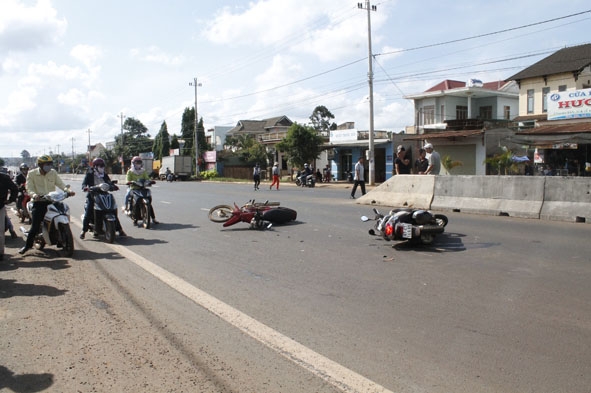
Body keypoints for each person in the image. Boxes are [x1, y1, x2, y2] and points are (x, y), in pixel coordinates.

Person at [19, 155, 74, 255]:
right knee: (35, 226)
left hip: (52, 200)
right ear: (40, 165)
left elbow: (61, 184)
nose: (49, 166)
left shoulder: (52, 173)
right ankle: (27, 246)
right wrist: (35, 195)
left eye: (50, 164)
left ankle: (60, 237)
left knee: (63, 212)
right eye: (46, 164)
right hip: (39, 202)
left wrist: (68, 191)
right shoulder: (32, 174)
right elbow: (29, 188)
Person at [80, 158, 126, 239]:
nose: (102, 167)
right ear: (95, 166)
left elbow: (109, 182)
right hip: (93, 195)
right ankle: (83, 231)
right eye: (100, 166)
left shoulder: (104, 174)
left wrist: (113, 186)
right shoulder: (89, 174)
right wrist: (85, 188)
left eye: (103, 166)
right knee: (88, 212)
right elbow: (84, 184)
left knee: (112, 210)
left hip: (104, 194)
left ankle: (120, 230)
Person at [125, 156, 158, 224]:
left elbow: (147, 178)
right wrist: (130, 182)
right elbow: (127, 180)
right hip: (134, 188)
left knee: (149, 203)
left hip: (142, 188)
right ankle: (127, 209)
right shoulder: (130, 171)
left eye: (139, 162)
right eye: (137, 163)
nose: (138, 164)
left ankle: (153, 218)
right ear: (133, 163)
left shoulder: (143, 171)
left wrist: (149, 181)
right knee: (127, 195)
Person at [1, 170, 18, 261]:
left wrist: (10, 200)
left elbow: (14, 188)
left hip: (0, 207)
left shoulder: (4, 178)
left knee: (0, 231)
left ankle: (0, 253)